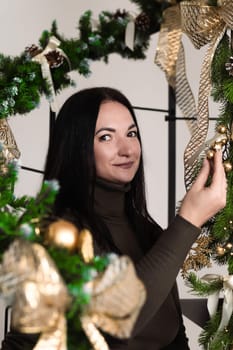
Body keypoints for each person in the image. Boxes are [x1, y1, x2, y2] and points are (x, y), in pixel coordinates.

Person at [1, 87, 227, 350]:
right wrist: (188, 221)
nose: (127, 149)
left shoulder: (146, 232)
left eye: (131, 134)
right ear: (77, 146)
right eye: (106, 137)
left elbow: (174, 339)